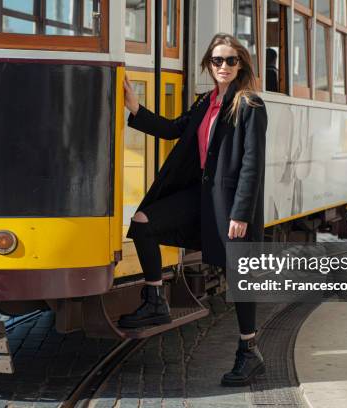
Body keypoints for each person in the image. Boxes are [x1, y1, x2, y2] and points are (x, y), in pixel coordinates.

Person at [120, 33, 268, 387]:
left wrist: (241, 213)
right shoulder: (206, 102)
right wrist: (135, 108)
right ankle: (155, 299)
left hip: (230, 203)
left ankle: (250, 352)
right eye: (217, 61)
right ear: (209, 64)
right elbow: (174, 130)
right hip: (201, 195)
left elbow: (253, 163)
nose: (223, 67)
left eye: (230, 60)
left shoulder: (250, 105)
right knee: (143, 222)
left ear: (241, 65)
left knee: (240, 277)